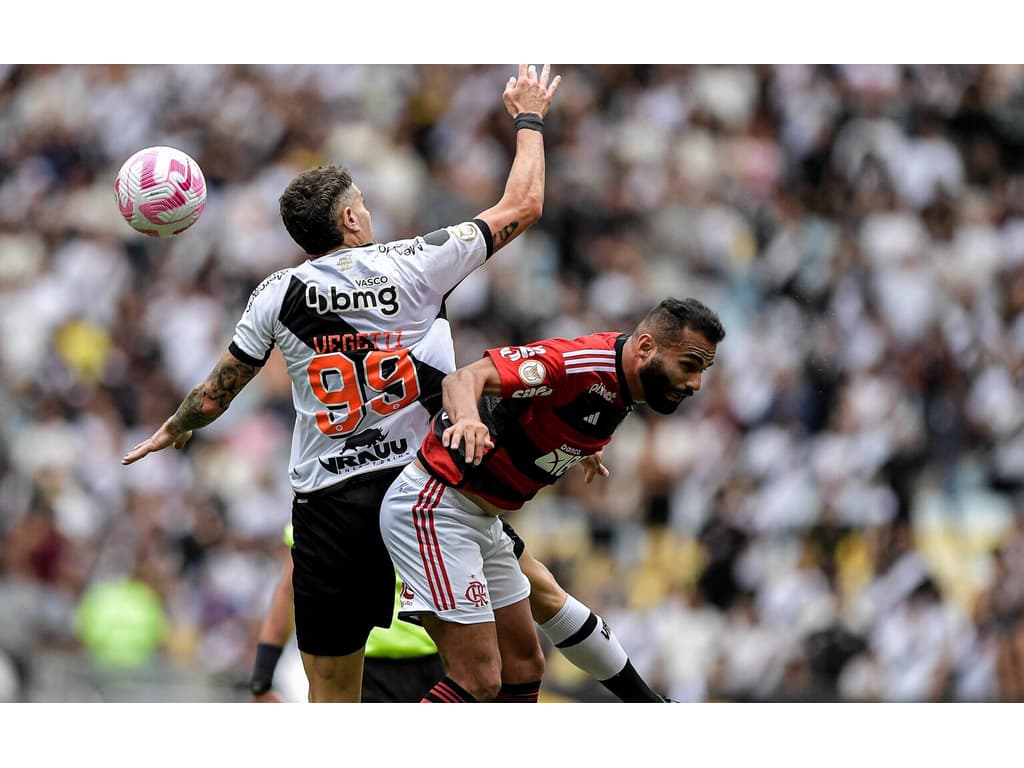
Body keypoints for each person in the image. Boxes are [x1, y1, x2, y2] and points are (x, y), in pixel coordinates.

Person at [122, 63, 562, 702]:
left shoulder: (276, 293)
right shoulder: (417, 263)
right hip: (419, 492)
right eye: (364, 204)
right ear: (351, 219)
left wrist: (177, 425)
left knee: (331, 694)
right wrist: (529, 117)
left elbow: (216, 394)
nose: (370, 212)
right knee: (493, 671)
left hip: (329, 508)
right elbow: (524, 204)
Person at [379, 297, 726, 702]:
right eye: (689, 365)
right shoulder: (576, 364)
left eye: (703, 370)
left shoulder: (626, 385)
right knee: (478, 679)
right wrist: (469, 420)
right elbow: (462, 380)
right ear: (646, 347)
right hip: (436, 505)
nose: (695, 384)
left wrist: (582, 447)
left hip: (479, 519)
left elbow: (560, 412)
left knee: (525, 666)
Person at [250, 522, 667, 702]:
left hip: (442, 662)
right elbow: (291, 588)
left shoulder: (435, 498)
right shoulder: (334, 500)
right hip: (366, 667)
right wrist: (261, 678)